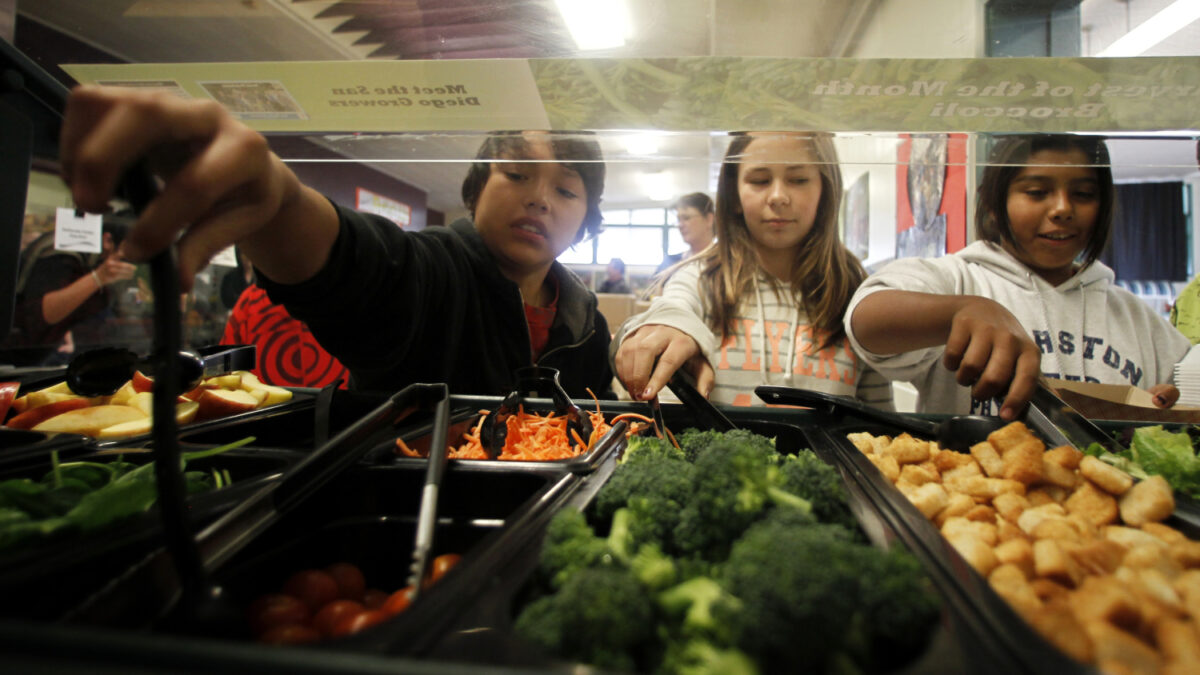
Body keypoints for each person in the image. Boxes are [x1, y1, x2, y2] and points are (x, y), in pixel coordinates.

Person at [59, 86, 613, 398]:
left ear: (587, 218)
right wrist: (276, 201)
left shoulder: (584, 317)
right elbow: (360, 268)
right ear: (475, 190)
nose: (540, 199)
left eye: (566, 190)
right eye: (516, 175)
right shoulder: (435, 267)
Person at [845, 133, 1195, 421]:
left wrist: (1166, 407)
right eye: (1036, 192)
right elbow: (866, 317)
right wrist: (962, 310)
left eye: (1084, 194)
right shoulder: (959, 278)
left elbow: (1183, 396)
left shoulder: (1135, 317)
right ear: (995, 205)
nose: (1062, 209)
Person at [613, 132, 894, 408]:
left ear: (825, 189)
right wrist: (668, 325)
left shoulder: (856, 292)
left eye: (798, 180)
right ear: (734, 195)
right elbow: (674, 307)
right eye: (759, 180)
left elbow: (880, 423)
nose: (778, 197)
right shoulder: (700, 279)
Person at [1, 213, 137, 366]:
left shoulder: (90, 259)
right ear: (107, 240)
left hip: (43, 353)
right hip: (16, 359)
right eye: (132, 245)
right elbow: (41, 313)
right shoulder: (62, 255)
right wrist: (99, 277)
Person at [221, 281, 351, 389]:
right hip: (268, 414)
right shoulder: (250, 303)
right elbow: (223, 377)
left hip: (347, 413)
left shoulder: (353, 293)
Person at [655, 191, 715, 274]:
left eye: (686, 218)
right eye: (679, 220)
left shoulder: (724, 263)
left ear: (709, 219)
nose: (680, 225)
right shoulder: (670, 262)